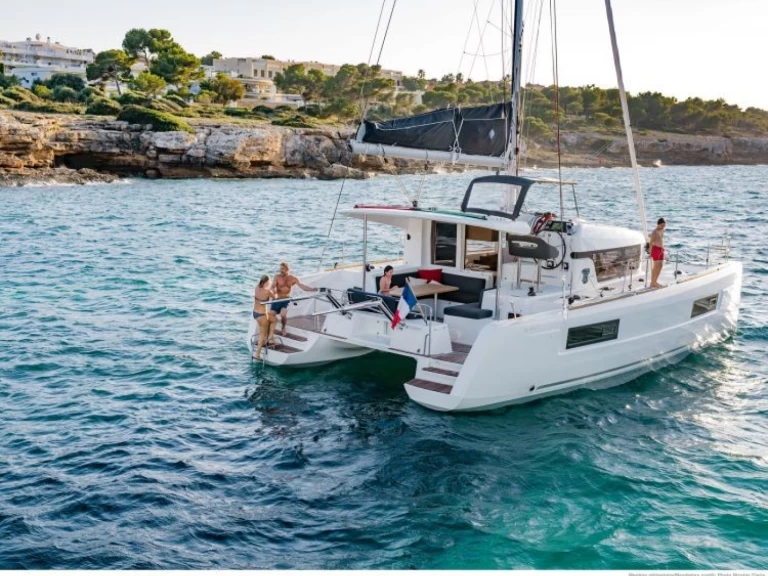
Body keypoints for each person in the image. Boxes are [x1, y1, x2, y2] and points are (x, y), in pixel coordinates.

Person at [273, 261, 317, 336]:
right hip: (277, 299)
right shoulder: (277, 277)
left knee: (283, 314)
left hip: (286, 300)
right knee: (271, 314)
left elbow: (302, 286)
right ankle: (272, 328)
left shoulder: (293, 278)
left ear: (287, 269)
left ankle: (283, 327)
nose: (281, 270)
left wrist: (312, 289)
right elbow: (272, 287)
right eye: (280, 269)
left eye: (282, 269)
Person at [253, 274, 278, 360]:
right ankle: (257, 354)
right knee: (262, 335)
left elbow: (264, 288)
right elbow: (275, 297)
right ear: (267, 281)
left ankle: (270, 338)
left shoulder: (256, 287)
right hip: (262, 315)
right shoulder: (267, 291)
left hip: (255, 313)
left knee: (274, 320)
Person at [649, 217, 666, 288]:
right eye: (662, 225)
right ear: (658, 224)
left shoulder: (662, 230)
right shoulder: (654, 232)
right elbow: (650, 242)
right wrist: (650, 253)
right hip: (655, 250)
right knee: (656, 266)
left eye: (664, 225)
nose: (663, 226)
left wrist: (662, 247)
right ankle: (652, 282)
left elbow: (661, 240)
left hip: (661, 249)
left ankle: (655, 281)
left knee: (660, 266)